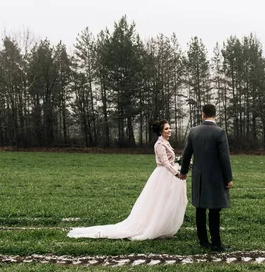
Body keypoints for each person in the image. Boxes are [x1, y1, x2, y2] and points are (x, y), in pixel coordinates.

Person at [68, 120, 188, 240]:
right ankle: (154, 227)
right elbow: (165, 163)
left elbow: (170, 160)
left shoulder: (166, 142)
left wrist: (178, 163)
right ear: (160, 131)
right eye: (166, 129)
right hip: (164, 175)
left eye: (170, 128)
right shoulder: (160, 144)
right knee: (159, 201)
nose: (169, 130)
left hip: (169, 175)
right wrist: (177, 173)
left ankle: (164, 226)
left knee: (166, 202)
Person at [179, 104, 233, 252]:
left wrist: (183, 172)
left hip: (199, 176)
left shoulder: (193, 132)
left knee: (200, 209)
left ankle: (203, 241)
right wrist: (229, 177)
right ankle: (216, 243)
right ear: (215, 115)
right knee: (215, 210)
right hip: (216, 177)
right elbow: (224, 158)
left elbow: (186, 154)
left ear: (203, 115)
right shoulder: (220, 132)